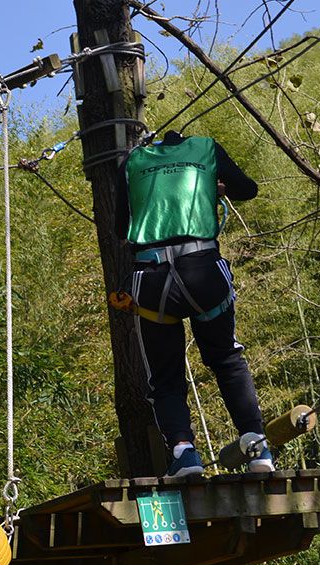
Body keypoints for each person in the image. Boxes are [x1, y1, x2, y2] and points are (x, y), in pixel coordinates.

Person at [115, 130, 274, 477]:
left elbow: (121, 226)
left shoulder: (132, 162)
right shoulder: (207, 148)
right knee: (227, 359)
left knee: (166, 376)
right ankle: (258, 448)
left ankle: (184, 453)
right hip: (203, 269)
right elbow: (247, 189)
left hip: (153, 278)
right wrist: (214, 188)